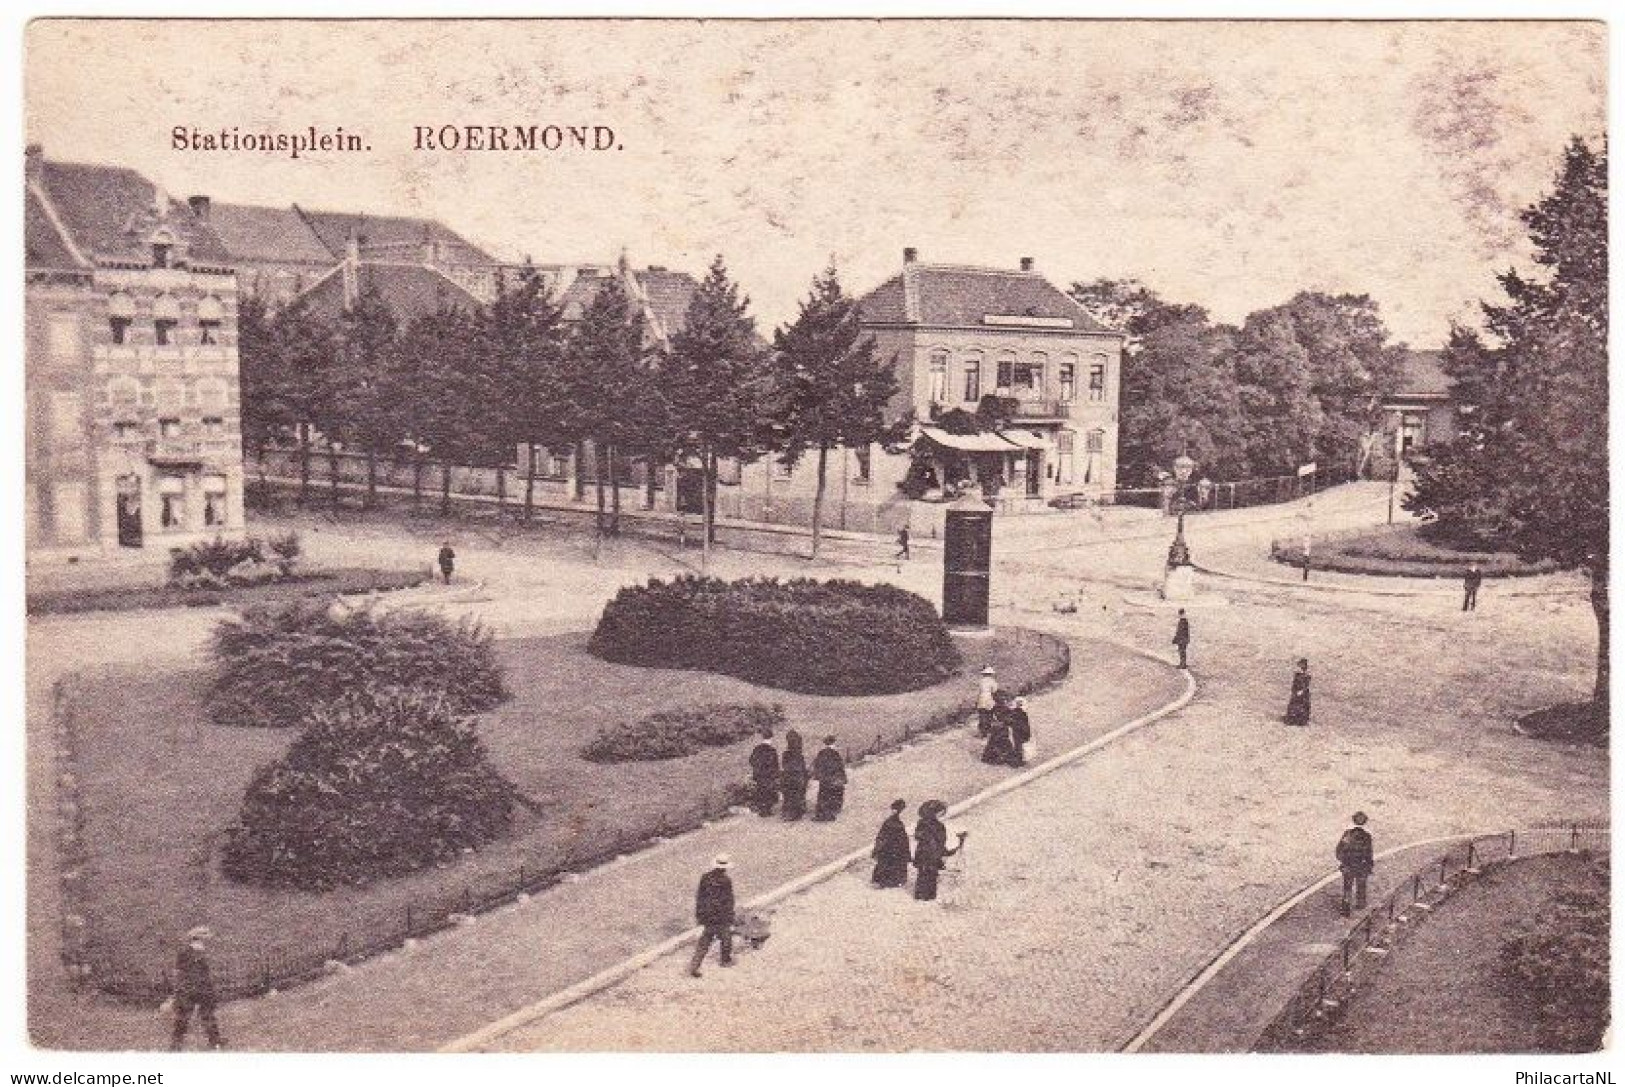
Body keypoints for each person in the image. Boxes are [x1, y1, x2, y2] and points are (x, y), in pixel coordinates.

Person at [168, 926, 223, 1050]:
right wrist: (179, 989)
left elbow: (179, 971)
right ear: (198, 938)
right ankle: (176, 1045)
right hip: (191, 988)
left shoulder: (195, 952)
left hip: (199, 988)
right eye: (205, 936)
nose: (208, 938)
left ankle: (215, 1041)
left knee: (205, 1015)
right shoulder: (187, 952)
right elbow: (178, 971)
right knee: (185, 1017)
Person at [688, 855, 736, 977]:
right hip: (721, 916)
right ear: (724, 868)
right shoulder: (726, 881)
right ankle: (725, 960)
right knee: (726, 938)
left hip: (707, 915)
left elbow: (700, 897)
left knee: (704, 941)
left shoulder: (705, 878)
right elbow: (729, 900)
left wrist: (699, 915)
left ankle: (694, 965)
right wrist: (730, 917)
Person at [912, 801, 966, 901]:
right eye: (941, 812)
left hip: (923, 853)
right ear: (935, 812)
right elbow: (940, 842)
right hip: (932, 854)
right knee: (930, 875)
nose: (942, 814)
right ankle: (927, 896)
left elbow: (919, 837)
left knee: (923, 874)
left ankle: (920, 895)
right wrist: (959, 841)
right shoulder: (938, 826)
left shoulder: (921, 823)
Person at [1335, 812, 1375, 916]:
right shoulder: (1367, 836)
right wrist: (1369, 866)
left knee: (1347, 887)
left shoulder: (1347, 834)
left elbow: (1339, 850)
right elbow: (1369, 853)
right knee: (1361, 885)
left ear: (1353, 820)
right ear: (1365, 822)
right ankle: (1360, 904)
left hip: (1348, 866)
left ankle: (1345, 909)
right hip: (1361, 866)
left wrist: (1343, 862)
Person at [871, 799, 912, 888]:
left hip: (887, 848)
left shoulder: (888, 822)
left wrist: (877, 849)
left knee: (885, 863)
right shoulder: (897, 824)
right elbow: (903, 840)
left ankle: (880, 881)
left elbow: (881, 836)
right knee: (894, 864)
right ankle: (890, 882)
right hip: (895, 848)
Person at [811, 736, 847, 820]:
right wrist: (842, 778)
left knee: (823, 794)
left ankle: (822, 813)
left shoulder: (821, 753)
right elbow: (840, 767)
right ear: (833, 743)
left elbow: (817, 765)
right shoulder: (835, 753)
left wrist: (818, 776)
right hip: (833, 778)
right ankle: (831, 812)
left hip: (824, 779)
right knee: (833, 794)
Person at [748, 727, 780, 817]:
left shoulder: (757, 749)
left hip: (759, 774)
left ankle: (762, 809)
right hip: (768, 775)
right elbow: (775, 764)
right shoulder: (772, 750)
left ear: (762, 737)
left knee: (761, 790)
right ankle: (767, 809)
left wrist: (757, 768)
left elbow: (751, 760)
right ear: (771, 737)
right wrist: (776, 774)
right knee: (769, 791)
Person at [981, 692, 1019, 767]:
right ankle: (1013, 761)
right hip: (1001, 730)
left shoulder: (994, 708)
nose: (1005, 701)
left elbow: (988, 718)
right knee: (1005, 744)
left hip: (996, 729)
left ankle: (987, 758)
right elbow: (1008, 719)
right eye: (1004, 699)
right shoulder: (1004, 709)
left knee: (993, 743)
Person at [779, 729, 809, 821]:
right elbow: (802, 767)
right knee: (798, 793)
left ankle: (789, 813)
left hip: (788, 776)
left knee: (789, 795)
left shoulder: (786, 754)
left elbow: (784, 765)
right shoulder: (799, 754)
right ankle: (797, 812)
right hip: (797, 777)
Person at [1285, 658, 1312, 727]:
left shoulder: (1307, 676)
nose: (1300, 668)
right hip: (1296, 691)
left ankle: (1301, 720)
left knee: (1302, 705)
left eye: (1301, 666)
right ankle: (1292, 719)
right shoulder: (1297, 675)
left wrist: (1302, 691)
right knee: (1294, 705)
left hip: (1303, 693)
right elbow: (1294, 683)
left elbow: (1306, 685)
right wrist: (1294, 691)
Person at [1008, 697, 1033, 766]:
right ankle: (1018, 760)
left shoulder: (1013, 713)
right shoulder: (1023, 713)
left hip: (1016, 731)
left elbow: (1010, 722)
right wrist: (1028, 732)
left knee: (1017, 745)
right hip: (1022, 731)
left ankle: (1017, 760)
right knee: (1020, 746)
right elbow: (1026, 724)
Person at [976, 665, 998, 736]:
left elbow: (979, 691)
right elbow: (995, 691)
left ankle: (983, 731)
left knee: (982, 715)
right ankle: (988, 729)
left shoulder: (981, 681)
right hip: (989, 698)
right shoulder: (992, 681)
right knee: (989, 714)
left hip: (981, 698)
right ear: (991, 674)